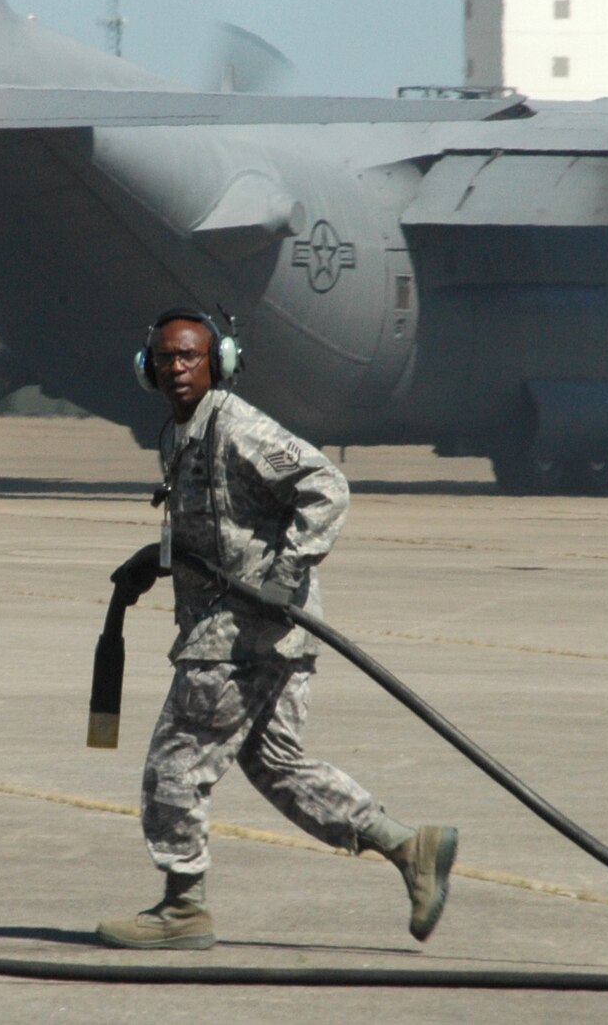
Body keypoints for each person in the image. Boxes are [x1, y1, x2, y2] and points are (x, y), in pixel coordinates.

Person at [97, 307, 458, 951]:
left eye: (190, 357)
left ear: (219, 364)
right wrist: (154, 561)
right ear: (146, 369)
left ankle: (183, 909)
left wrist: (287, 571)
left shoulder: (238, 427)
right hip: (261, 629)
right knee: (277, 765)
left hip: (244, 631)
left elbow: (326, 484)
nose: (176, 368)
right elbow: (217, 523)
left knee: (174, 766)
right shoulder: (178, 432)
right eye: (165, 358)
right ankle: (410, 848)